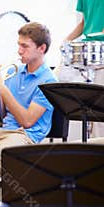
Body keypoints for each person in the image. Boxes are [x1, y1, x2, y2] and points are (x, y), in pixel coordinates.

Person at [0, 22, 57, 177]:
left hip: (25, 135)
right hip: (2, 128)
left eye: (25, 46)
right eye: (19, 45)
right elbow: (2, 112)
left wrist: (2, 88)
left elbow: (27, 121)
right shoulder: (13, 71)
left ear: (42, 48)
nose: (19, 51)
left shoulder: (49, 81)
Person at [58, 0, 104, 138]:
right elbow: (84, 22)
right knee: (85, 109)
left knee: (100, 112)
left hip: (101, 51)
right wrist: (66, 40)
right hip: (88, 50)